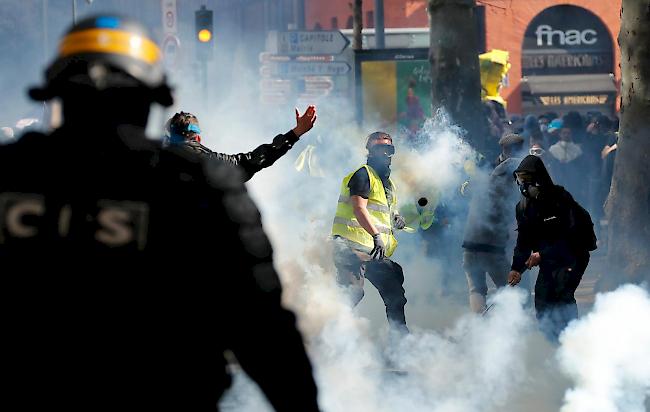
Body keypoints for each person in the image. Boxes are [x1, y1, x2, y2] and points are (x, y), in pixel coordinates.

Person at [0, 15, 319, 411]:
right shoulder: (200, 184)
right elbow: (264, 331)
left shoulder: (10, 174)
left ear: (57, 92)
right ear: (150, 98)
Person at [508, 155, 596, 341]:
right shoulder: (523, 208)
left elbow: (572, 236)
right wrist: (516, 268)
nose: (524, 185)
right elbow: (523, 241)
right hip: (548, 259)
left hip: (573, 255)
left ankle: (573, 341)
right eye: (520, 180)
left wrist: (543, 254)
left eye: (527, 179)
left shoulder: (560, 199)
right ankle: (551, 344)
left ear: (538, 179)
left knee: (561, 294)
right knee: (542, 298)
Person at [331, 131, 409, 334]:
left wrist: (396, 220)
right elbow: (359, 208)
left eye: (388, 149)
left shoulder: (388, 184)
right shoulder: (363, 174)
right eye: (380, 149)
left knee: (395, 291)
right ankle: (328, 334)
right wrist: (376, 236)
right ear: (370, 152)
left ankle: (400, 342)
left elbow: (383, 212)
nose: (385, 154)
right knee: (353, 292)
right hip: (349, 246)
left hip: (372, 250)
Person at [463, 134, 527, 313]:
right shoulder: (516, 173)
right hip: (491, 244)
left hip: (471, 241)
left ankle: (482, 327)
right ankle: (513, 326)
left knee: (476, 289)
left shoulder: (487, 174)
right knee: (511, 289)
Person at [165, 107, 316, 182]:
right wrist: (295, 133)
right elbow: (249, 162)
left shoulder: (149, 154)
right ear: (197, 137)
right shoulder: (202, 160)